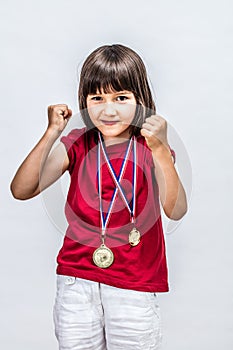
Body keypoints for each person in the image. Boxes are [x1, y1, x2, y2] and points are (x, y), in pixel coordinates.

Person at [10, 44, 187, 350]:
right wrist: (52, 131)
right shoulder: (78, 142)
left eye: (121, 98)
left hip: (133, 285)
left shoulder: (148, 147)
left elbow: (176, 209)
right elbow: (22, 189)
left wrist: (160, 148)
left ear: (140, 100)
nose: (108, 110)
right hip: (77, 282)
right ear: (85, 103)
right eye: (97, 98)